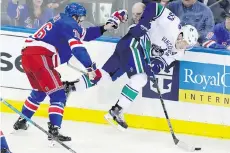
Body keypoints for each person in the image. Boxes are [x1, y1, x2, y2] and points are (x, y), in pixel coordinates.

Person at [63, 2, 199, 130]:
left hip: (130, 50)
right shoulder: (173, 24)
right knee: (140, 78)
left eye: (187, 46)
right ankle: (117, 110)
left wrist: (155, 67)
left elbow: (162, 61)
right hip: (135, 42)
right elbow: (154, 6)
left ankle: (70, 87)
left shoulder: (180, 53)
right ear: (181, 34)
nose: (183, 46)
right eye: (184, 42)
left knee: (105, 77)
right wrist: (144, 24)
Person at [12, 2, 127, 142]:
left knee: (40, 90)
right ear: (74, 16)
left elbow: (85, 34)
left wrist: (105, 27)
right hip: (39, 58)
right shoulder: (69, 24)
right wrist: (90, 68)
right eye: (80, 18)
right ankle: (54, 130)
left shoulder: (61, 20)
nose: (81, 21)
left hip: (28, 56)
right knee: (59, 95)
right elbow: (78, 48)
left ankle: (22, 121)